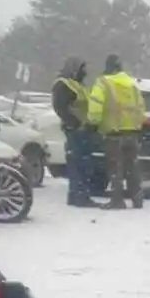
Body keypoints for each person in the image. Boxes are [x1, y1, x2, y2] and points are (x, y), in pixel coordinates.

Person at [86, 53, 145, 210]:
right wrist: (138, 126)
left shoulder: (103, 83)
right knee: (132, 167)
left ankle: (117, 201)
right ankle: (137, 198)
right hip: (132, 132)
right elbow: (141, 107)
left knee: (115, 168)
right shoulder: (131, 84)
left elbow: (96, 104)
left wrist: (93, 123)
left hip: (113, 132)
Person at [51, 57, 96, 207]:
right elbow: (60, 107)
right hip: (75, 130)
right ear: (74, 69)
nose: (85, 72)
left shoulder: (79, 85)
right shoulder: (63, 84)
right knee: (78, 163)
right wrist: (73, 123)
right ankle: (78, 195)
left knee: (83, 164)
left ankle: (80, 194)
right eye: (82, 69)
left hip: (84, 130)